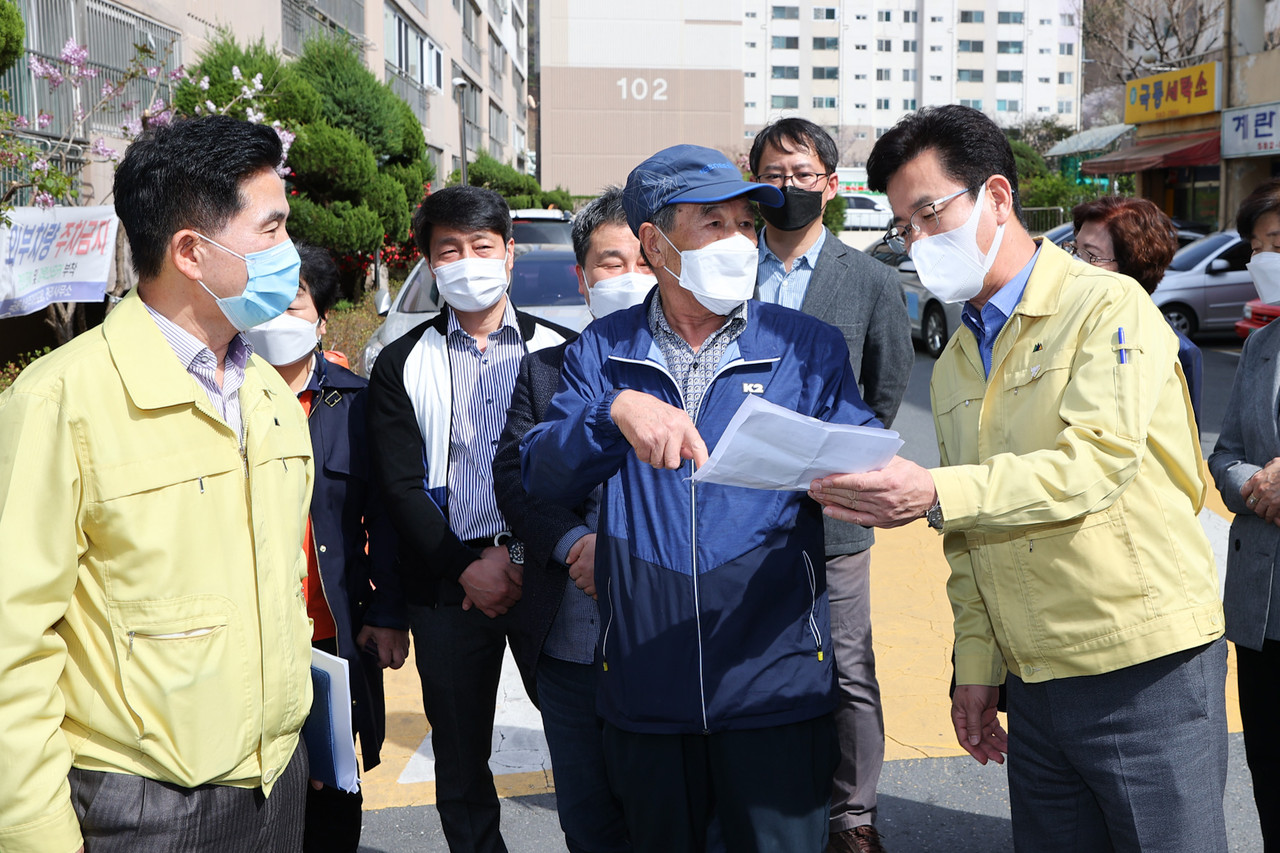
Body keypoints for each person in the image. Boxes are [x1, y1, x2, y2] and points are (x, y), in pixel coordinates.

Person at [808, 105, 1228, 853]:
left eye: (929, 211)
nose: (917, 240)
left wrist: (936, 491)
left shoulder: (1107, 305)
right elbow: (972, 535)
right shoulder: (960, 356)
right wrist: (977, 665)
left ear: (998, 197)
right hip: (1034, 677)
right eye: (904, 226)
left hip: (1140, 666)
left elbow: (1093, 465)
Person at [520, 144, 881, 853]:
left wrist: (859, 479)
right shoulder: (602, 351)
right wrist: (612, 412)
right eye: (714, 224)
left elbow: (859, 443)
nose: (741, 242)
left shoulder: (805, 345)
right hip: (645, 685)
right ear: (655, 243)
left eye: (748, 225)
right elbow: (540, 470)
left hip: (773, 687)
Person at [0, 115, 315, 853]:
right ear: (191, 252)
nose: (290, 254)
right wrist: (35, 832)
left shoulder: (268, 392)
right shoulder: (59, 402)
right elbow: (12, 641)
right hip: (141, 805)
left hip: (276, 783)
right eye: (270, 230)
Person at [366, 185, 573, 853]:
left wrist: (519, 556)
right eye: (448, 249)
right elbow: (396, 487)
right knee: (459, 756)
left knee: (581, 738)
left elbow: (577, 474)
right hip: (448, 578)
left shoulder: (564, 351)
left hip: (546, 569)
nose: (467, 261)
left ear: (509, 253)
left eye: (482, 246)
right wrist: (465, 565)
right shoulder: (402, 361)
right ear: (428, 261)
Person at [750, 117, 912, 853]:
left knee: (846, 662)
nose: (788, 187)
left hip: (835, 508)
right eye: (774, 175)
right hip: (735, 506)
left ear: (831, 185)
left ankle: (853, 813)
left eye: (803, 174)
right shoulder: (725, 270)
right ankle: (765, 794)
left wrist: (838, 466)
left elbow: (884, 391)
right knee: (748, 653)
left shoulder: (873, 280)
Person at [242, 244, 411, 853]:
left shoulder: (357, 403)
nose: (275, 319)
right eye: (262, 305)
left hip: (330, 636)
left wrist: (390, 613)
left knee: (332, 798)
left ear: (321, 320)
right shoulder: (222, 396)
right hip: (246, 639)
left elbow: (388, 518)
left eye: (292, 304)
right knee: (251, 800)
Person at [493, 187, 646, 853]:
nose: (632, 276)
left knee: (671, 816)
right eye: (612, 262)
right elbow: (512, 473)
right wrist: (573, 541)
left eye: (646, 259)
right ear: (583, 278)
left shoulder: (697, 372)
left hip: (665, 639)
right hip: (570, 642)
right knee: (587, 819)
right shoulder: (543, 371)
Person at [1207, 177, 1280, 851]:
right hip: (1263, 606)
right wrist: (1253, 480)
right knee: (1271, 770)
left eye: (1279, 242)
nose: (1269, 257)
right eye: (1261, 246)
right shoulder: (1262, 344)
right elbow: (1225, 451)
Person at [1069, 196, 1203, 427]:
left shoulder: (1142, 341)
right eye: (1074, 249)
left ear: (1130, 266)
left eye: (1090, 255)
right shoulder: (1077, 322)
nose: (1073, 262)